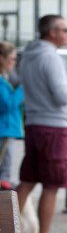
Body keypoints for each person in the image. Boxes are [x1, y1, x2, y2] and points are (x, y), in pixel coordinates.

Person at [16, 15, 67, 233]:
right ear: (52, 32)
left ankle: (7, 231)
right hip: (54, 128)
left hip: (34, 125)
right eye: (65, 29)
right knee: (52, 184)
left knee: (27, 180)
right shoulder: (51, 57)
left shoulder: (27, 56)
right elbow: (63, 96)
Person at [0, 41, 23, 190]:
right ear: (2, 58)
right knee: (4, 168)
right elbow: (7, 105)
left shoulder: (6, 78)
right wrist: (22, 90)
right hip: (4, 129)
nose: (14, 62)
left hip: (6, 129)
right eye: (12, 59)